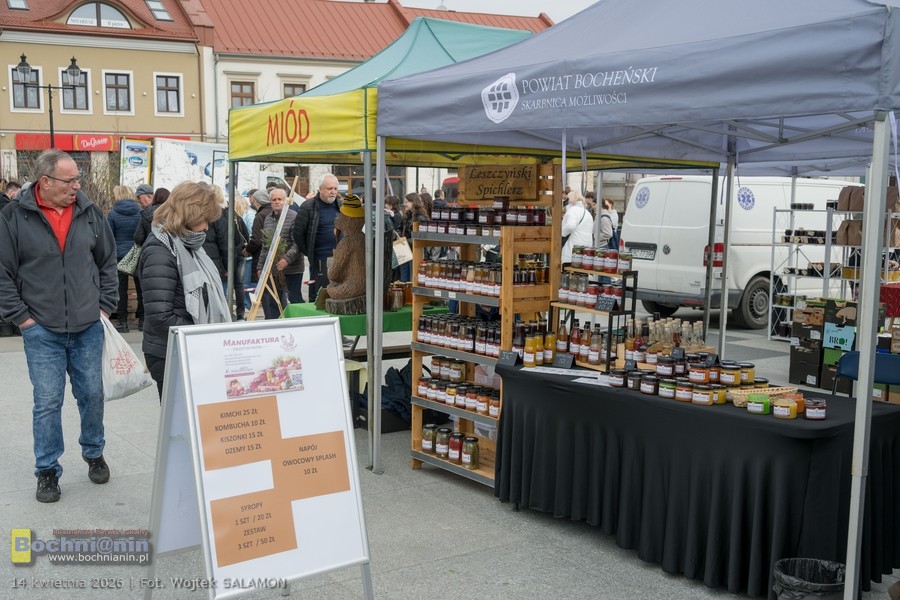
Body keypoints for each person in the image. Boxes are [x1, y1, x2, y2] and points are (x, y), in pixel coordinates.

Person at [0, 149, 118, 503]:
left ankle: (94, 451)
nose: (76, 186)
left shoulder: (90, 212)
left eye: (77, 179)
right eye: (70, 181)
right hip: (42, 330)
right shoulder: (13, 217)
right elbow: (2, 272)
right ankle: (47, 470)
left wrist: (105, 308)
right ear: (45, 181)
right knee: (48, 402)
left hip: (88, 325)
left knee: (92, 395)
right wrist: (23, 318)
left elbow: (107, 262)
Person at [137, 181, 231, 399]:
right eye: (204, 219)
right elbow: (160, 317)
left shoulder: (188, 246)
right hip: (171, 353)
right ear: (190, 214)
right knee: (182, 418)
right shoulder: (160, 251)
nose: (207, 227)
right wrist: (202, 334)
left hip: (189, 349)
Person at [291, 173, 341, 300]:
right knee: (320, 296)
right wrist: (310, 252)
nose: (333, 192)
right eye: (329, 188)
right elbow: (298, 233)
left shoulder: (341, 206)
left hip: (339, 258)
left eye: (335, 188)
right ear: (320, 189)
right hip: (320, 259)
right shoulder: (308, 206)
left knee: (337, 294)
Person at [260, 187, 304, 319]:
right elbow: (265, 245)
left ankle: (299, 324)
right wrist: (260, 266)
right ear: (270, 202)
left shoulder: (294, 216)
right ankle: (277, 324)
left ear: (285, 201)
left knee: (294, 299)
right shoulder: (268, 219)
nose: (277, 202)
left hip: (292, 268)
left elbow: (298, 243)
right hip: (274, 268)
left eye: (280, 199)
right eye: (274, 199)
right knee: (275, 301)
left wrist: (286, 259)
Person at [108, 185, 143, 332]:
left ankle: (122, 323)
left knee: (121, 290)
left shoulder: (113, 214)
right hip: (137, 254)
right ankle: (142, 322)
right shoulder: (141, 212)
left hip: (119, 255)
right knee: (141, 288)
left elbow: (109, 237)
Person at [245, 189, 273, 305]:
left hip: (261, 256)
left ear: (258, 202)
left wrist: (248, 249)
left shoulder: (260, 216)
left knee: (264, 290)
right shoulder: (274, 212)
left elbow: (256, 239)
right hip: (274, 255)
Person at [401, 193, 429, 282]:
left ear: (414, 202)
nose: (405, 204)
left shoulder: (420, 218)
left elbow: (421, 238)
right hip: (406, 249)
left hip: (415, 250)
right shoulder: (407, 215)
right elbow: (400, 228)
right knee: (404, 277)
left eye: (407, 202)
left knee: (412, 277)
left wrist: (405, 241)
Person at [561, 191, 594, 266]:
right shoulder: (587, 212)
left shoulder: (573, 210)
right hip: (586, 251)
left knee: (568, 271)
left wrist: (560, 233)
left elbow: (570, 226)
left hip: (573, 250)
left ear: (571, 200)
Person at [235, 193, 256, 312]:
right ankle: (247, 303)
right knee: (243, 281)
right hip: (244, 253)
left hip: (247, 253)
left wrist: (248, 247)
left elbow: (252, 233)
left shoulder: (248, 215)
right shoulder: (241, 216)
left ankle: (248, 304)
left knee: (246, 282)